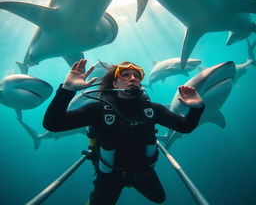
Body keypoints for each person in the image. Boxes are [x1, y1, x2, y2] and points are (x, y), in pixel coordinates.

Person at [43, 59, 205, 205]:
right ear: (114, 83)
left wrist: (197, 109)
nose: (133, 78)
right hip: (109, 175)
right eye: (125, 75)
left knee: (159, 198)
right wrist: (67, 90)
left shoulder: (152, 109)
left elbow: (185, 127)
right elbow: (53, 124)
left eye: (137, 75)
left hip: (143, 171)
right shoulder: (98, 109)